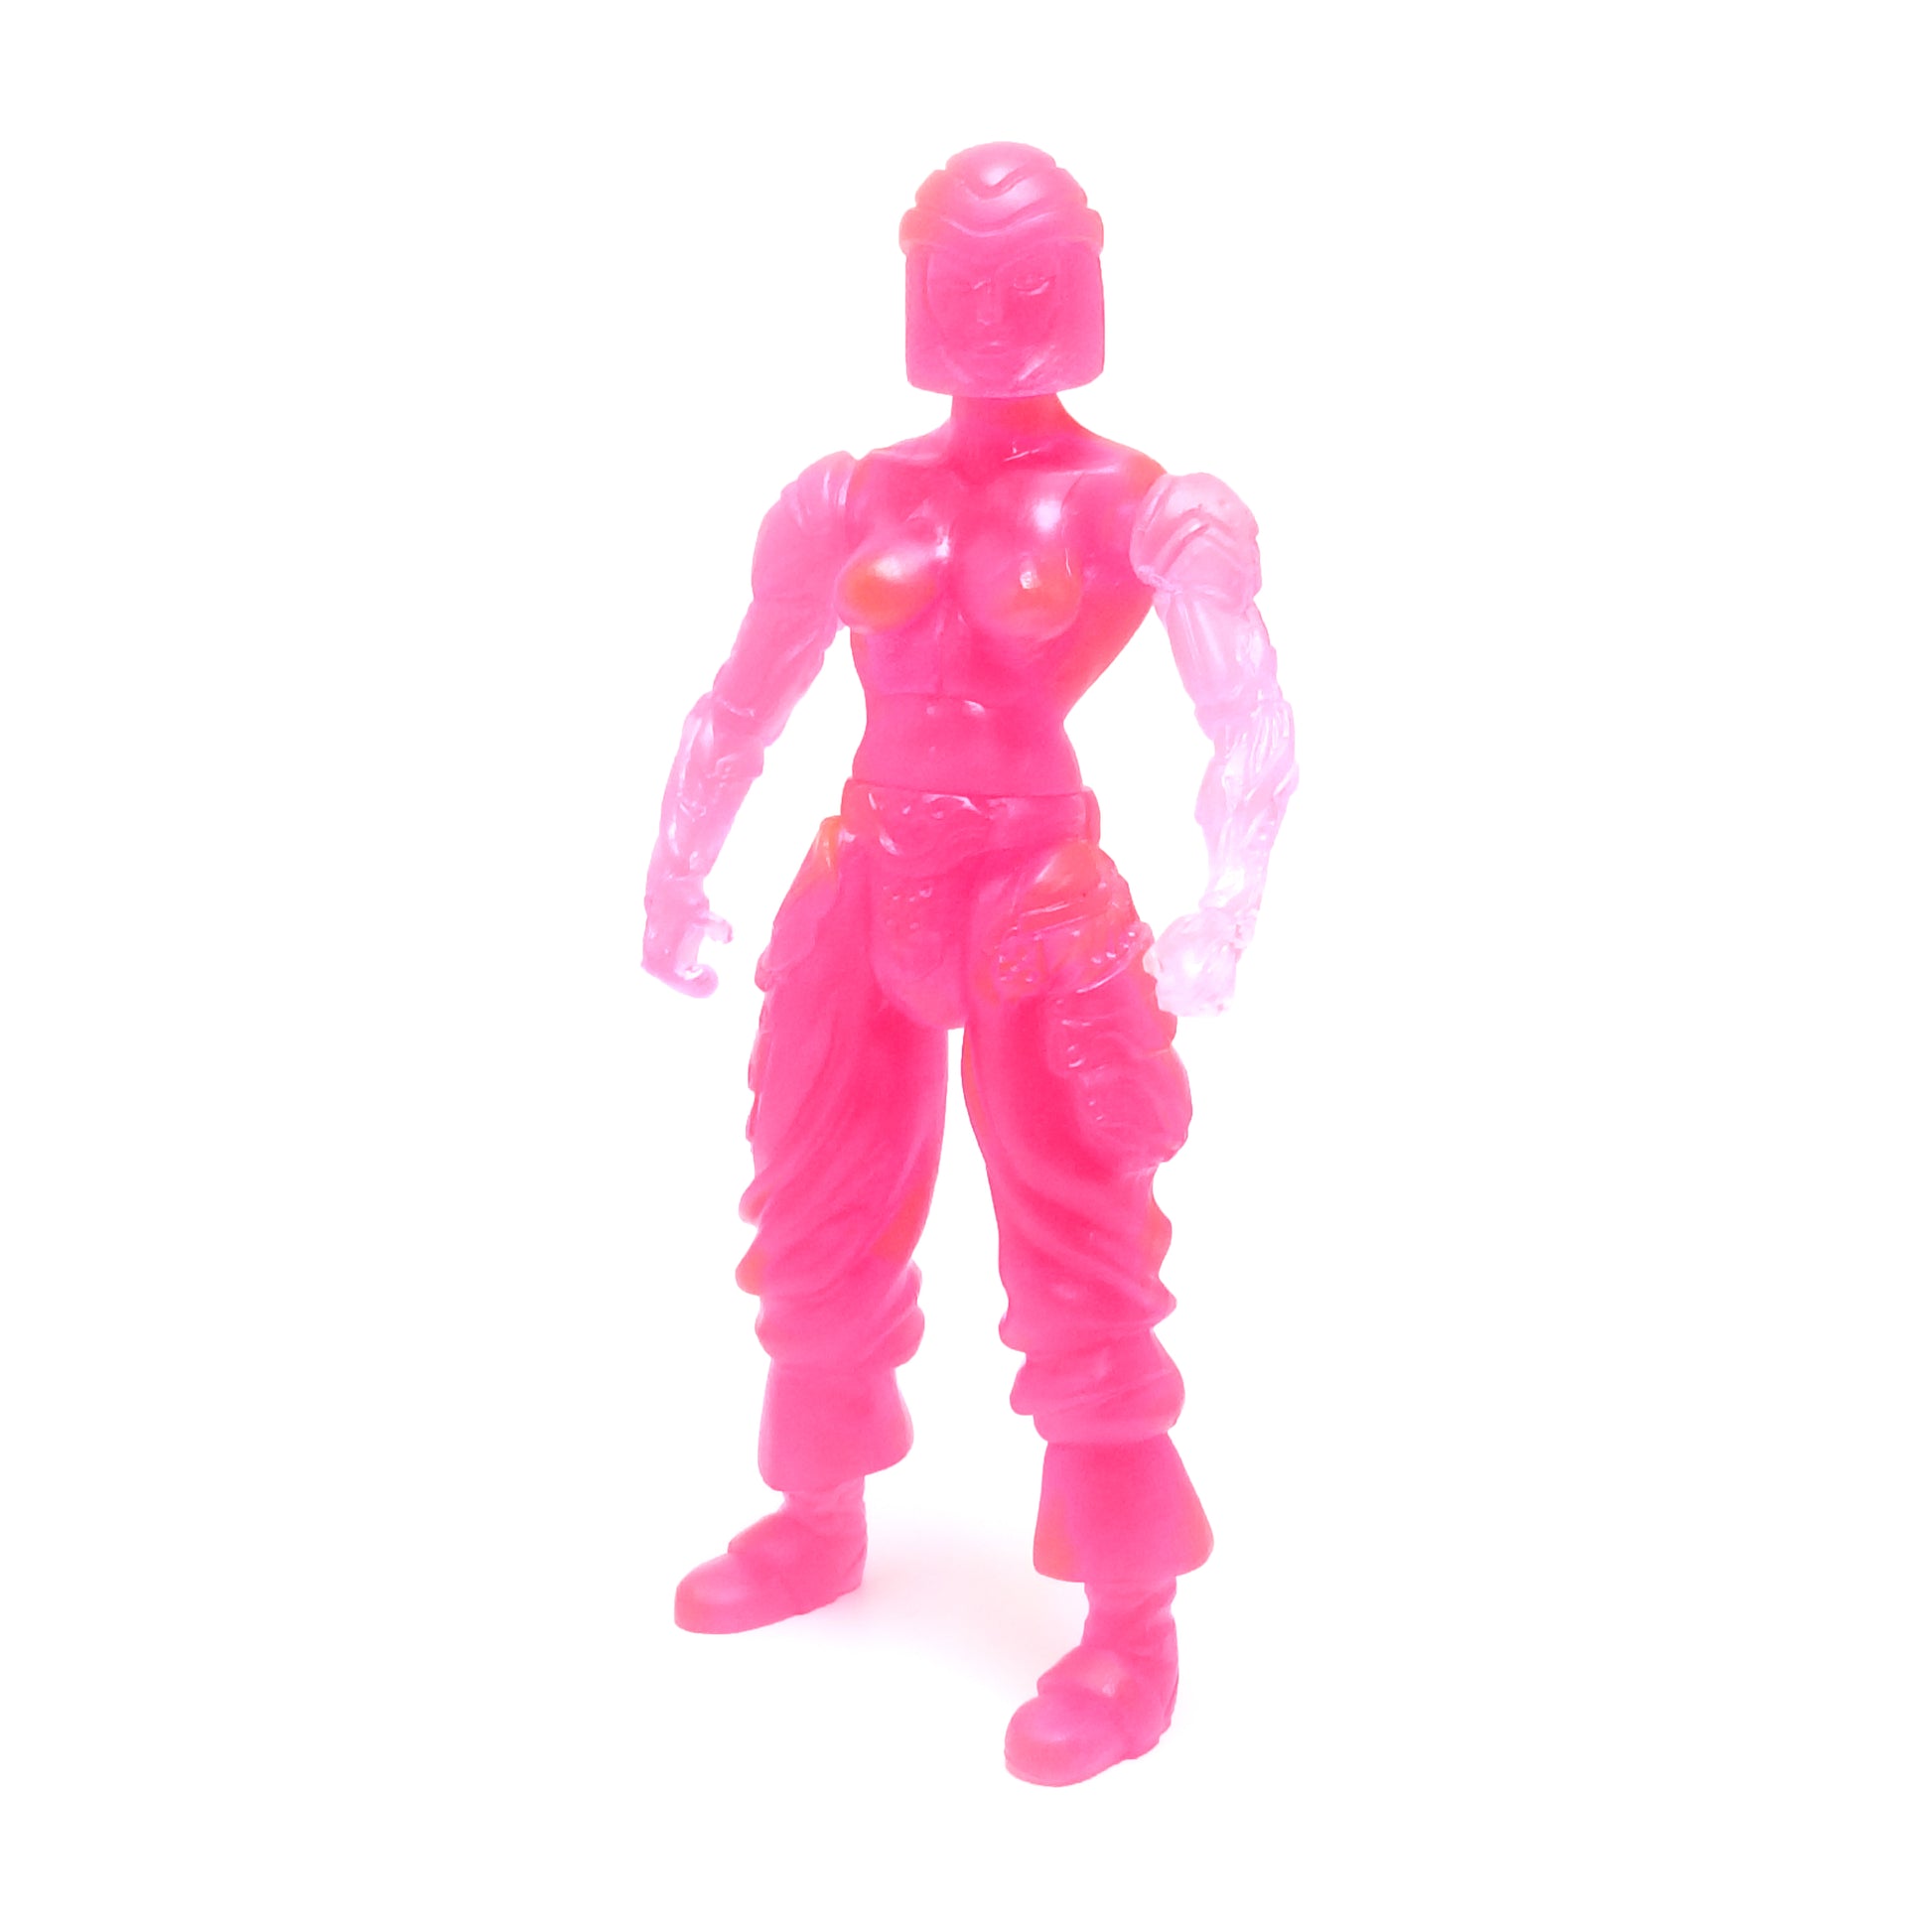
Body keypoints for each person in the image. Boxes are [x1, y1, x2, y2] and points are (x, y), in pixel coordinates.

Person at [642, 143, 1297, 1785]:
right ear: (913, 289)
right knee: (811, 1209)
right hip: (863, 872)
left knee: (1080, 1254)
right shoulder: (848, 495)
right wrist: (676, 863)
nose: (995, 322)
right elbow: (744, 692)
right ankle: (817, 1515)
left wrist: (1223, 900)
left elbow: (1246, 716)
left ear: (1084, 287)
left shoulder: (1142, 504)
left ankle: (1131, 1627)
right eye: (961, 286)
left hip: (1034, 901)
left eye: (1029, 286)